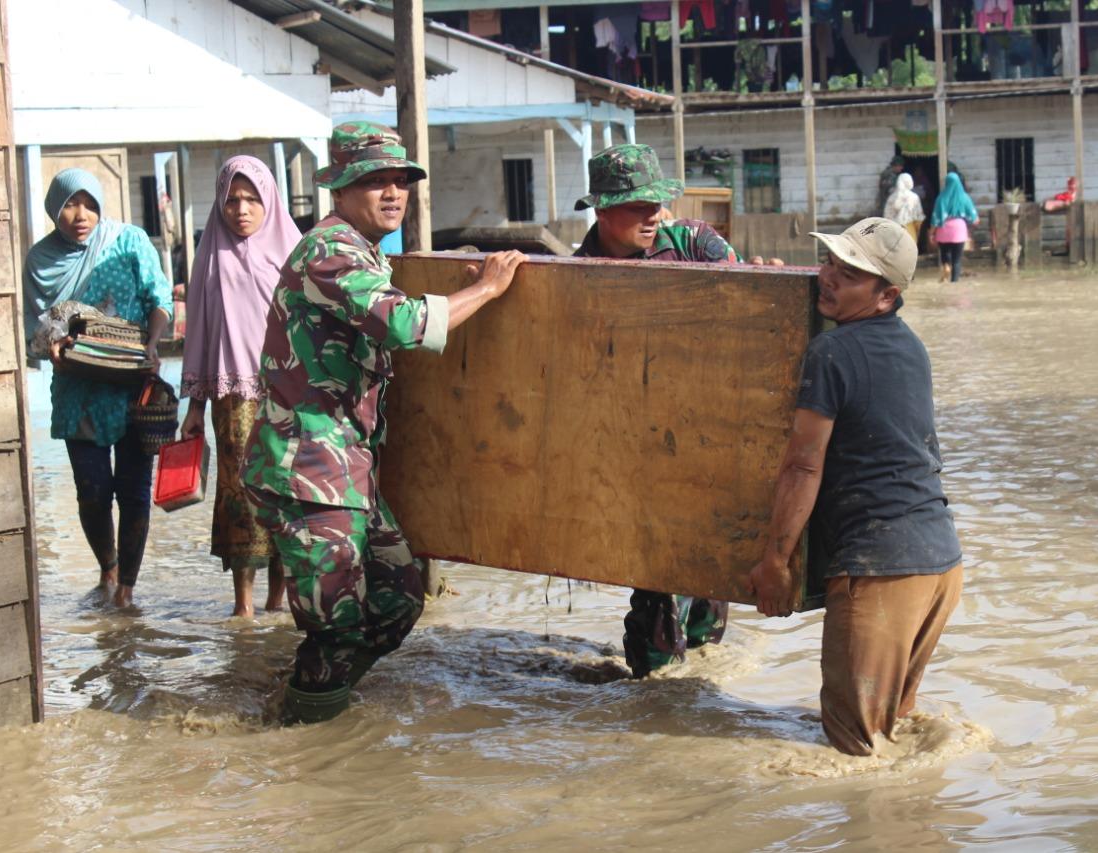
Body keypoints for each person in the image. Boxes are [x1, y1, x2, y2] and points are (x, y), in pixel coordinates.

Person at [241, 122, 526, 724]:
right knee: (336, 625)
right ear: (340, 192)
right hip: (307, 469)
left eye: (400, 181)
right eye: (374, 182)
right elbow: (403, 326)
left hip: (347, 469)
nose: (392, 193)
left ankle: (312, 707)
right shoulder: (330, 249)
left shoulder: (366, 252)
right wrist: (490, 289)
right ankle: (298, 741)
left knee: (398, 597)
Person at [747, 217, 963, 755]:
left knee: (853, 749)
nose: (827, 278)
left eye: (848, 274)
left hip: (880, 570)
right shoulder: (911, 348)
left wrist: (776, 561)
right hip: (940, 565)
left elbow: (802, 466)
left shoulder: (832, 353)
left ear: (886, 295)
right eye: (829, 264)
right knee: (893, 730)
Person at [574, 142, 770, 677]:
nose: (656, 215)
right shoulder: (574, 276)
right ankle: (650, 698)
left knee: (709, 589)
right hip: (634, 450)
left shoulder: (694, 243)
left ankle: (691, 691)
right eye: (640, 206)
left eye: (658, 203)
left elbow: (749, 314)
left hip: (705, 436)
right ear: (603, 210)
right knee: (660, 584)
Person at [22, 168, 173, 609]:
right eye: (70, 204)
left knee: (133, 489)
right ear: (55, 208)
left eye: (89, 204)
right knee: (91, 490)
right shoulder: (40, 260)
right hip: (78, 392)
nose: (80, 214)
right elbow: (40, 324)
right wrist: (54, 342)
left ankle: (126, 588)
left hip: (133, 387)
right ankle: (106, 567)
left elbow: (158, 298)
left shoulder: (129, 241)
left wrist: (151, 343)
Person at [180, 156, 301, 618]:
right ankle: (244, 606)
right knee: (240, 492)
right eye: (232, 199)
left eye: (252, 199)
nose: (242, 209)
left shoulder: (292, 251)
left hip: (287, 392)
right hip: (231, 395)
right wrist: (193, 406)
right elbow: (200, 332)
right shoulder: (212, 255)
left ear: (269, 200)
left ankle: (279, 599)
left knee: (285, 491)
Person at [931, 172, 979, 283]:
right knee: (957, 261)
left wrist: (931, 233)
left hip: (943, 229)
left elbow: (935, 217)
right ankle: (954, 283)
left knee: (945, 254)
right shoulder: (965, 197)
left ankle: (946, 266)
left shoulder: (941, 198)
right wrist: (970, 227)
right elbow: (975, 220)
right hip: (959, 229)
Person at [883, 172, 926, 243]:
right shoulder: (914, 197)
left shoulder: (891, 198)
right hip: (909, 231)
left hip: (894, 232)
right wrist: (918, 230)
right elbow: (919, 218)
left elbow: (886, 217)